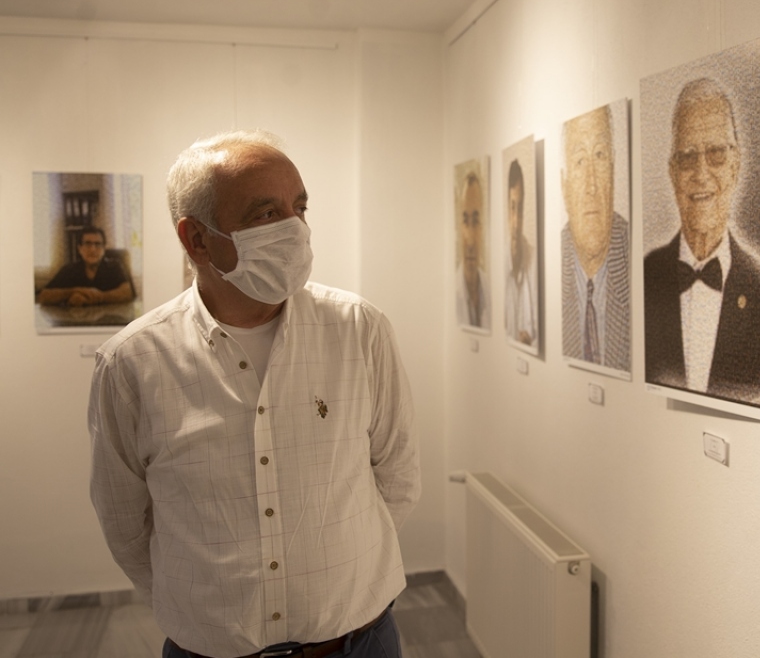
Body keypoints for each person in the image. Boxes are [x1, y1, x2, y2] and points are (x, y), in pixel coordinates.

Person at [88, 130, 420, 658]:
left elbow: (397, 476)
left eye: (300, 208)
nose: (295, 230)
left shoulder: (359, 328)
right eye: (266, 214)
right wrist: (212, 612)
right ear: (196, 238)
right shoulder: (133, 363)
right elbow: (125, 521)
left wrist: (337, 571)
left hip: (360, 642)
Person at [644, 78, 760, 401]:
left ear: (736, 165)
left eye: (716, 153)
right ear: (672, 172)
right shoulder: (644, 280)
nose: (701, 173)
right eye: (688, 157)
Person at [561, 106, 630, 371]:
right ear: (564, 186)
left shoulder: (638, 257)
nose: (591, 185)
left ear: (613, 172)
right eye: (579, 161)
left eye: (599, 156)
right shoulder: (552, 262)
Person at [36, 226, 135, 306]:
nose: (92, 249)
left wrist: (97, 297)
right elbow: (43, 296)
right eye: (88, 244)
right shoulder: (69, 269)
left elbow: (128, 293)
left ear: (104, 249)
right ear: (79, 248)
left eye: (98, 244)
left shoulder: (114, 266)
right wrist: (74, 291)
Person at [505, 160, 538, 346]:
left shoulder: (534, 262)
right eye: (511, 207)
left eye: (520, 208)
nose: (516, 221)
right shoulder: (500, 267)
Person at [456, 170, 491, 329]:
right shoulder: (454, 294)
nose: (470, 239)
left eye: (476, 221)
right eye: (465, 220)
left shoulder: (489, 290)